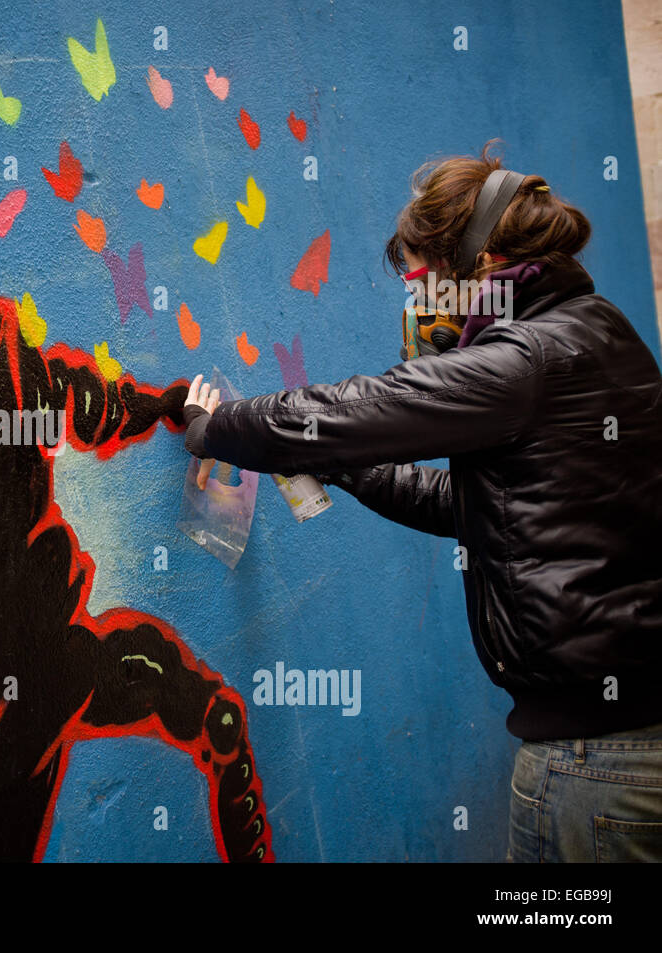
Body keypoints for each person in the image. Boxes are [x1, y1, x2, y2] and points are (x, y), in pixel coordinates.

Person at [181, 140, 662, 862]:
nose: (418, 302)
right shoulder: (602, 332)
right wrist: (338, 462)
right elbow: (474, 502)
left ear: (478, 265)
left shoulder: (523, 359)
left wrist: (214, 428)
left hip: (590, 764)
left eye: (424, 278)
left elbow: (362, 406)